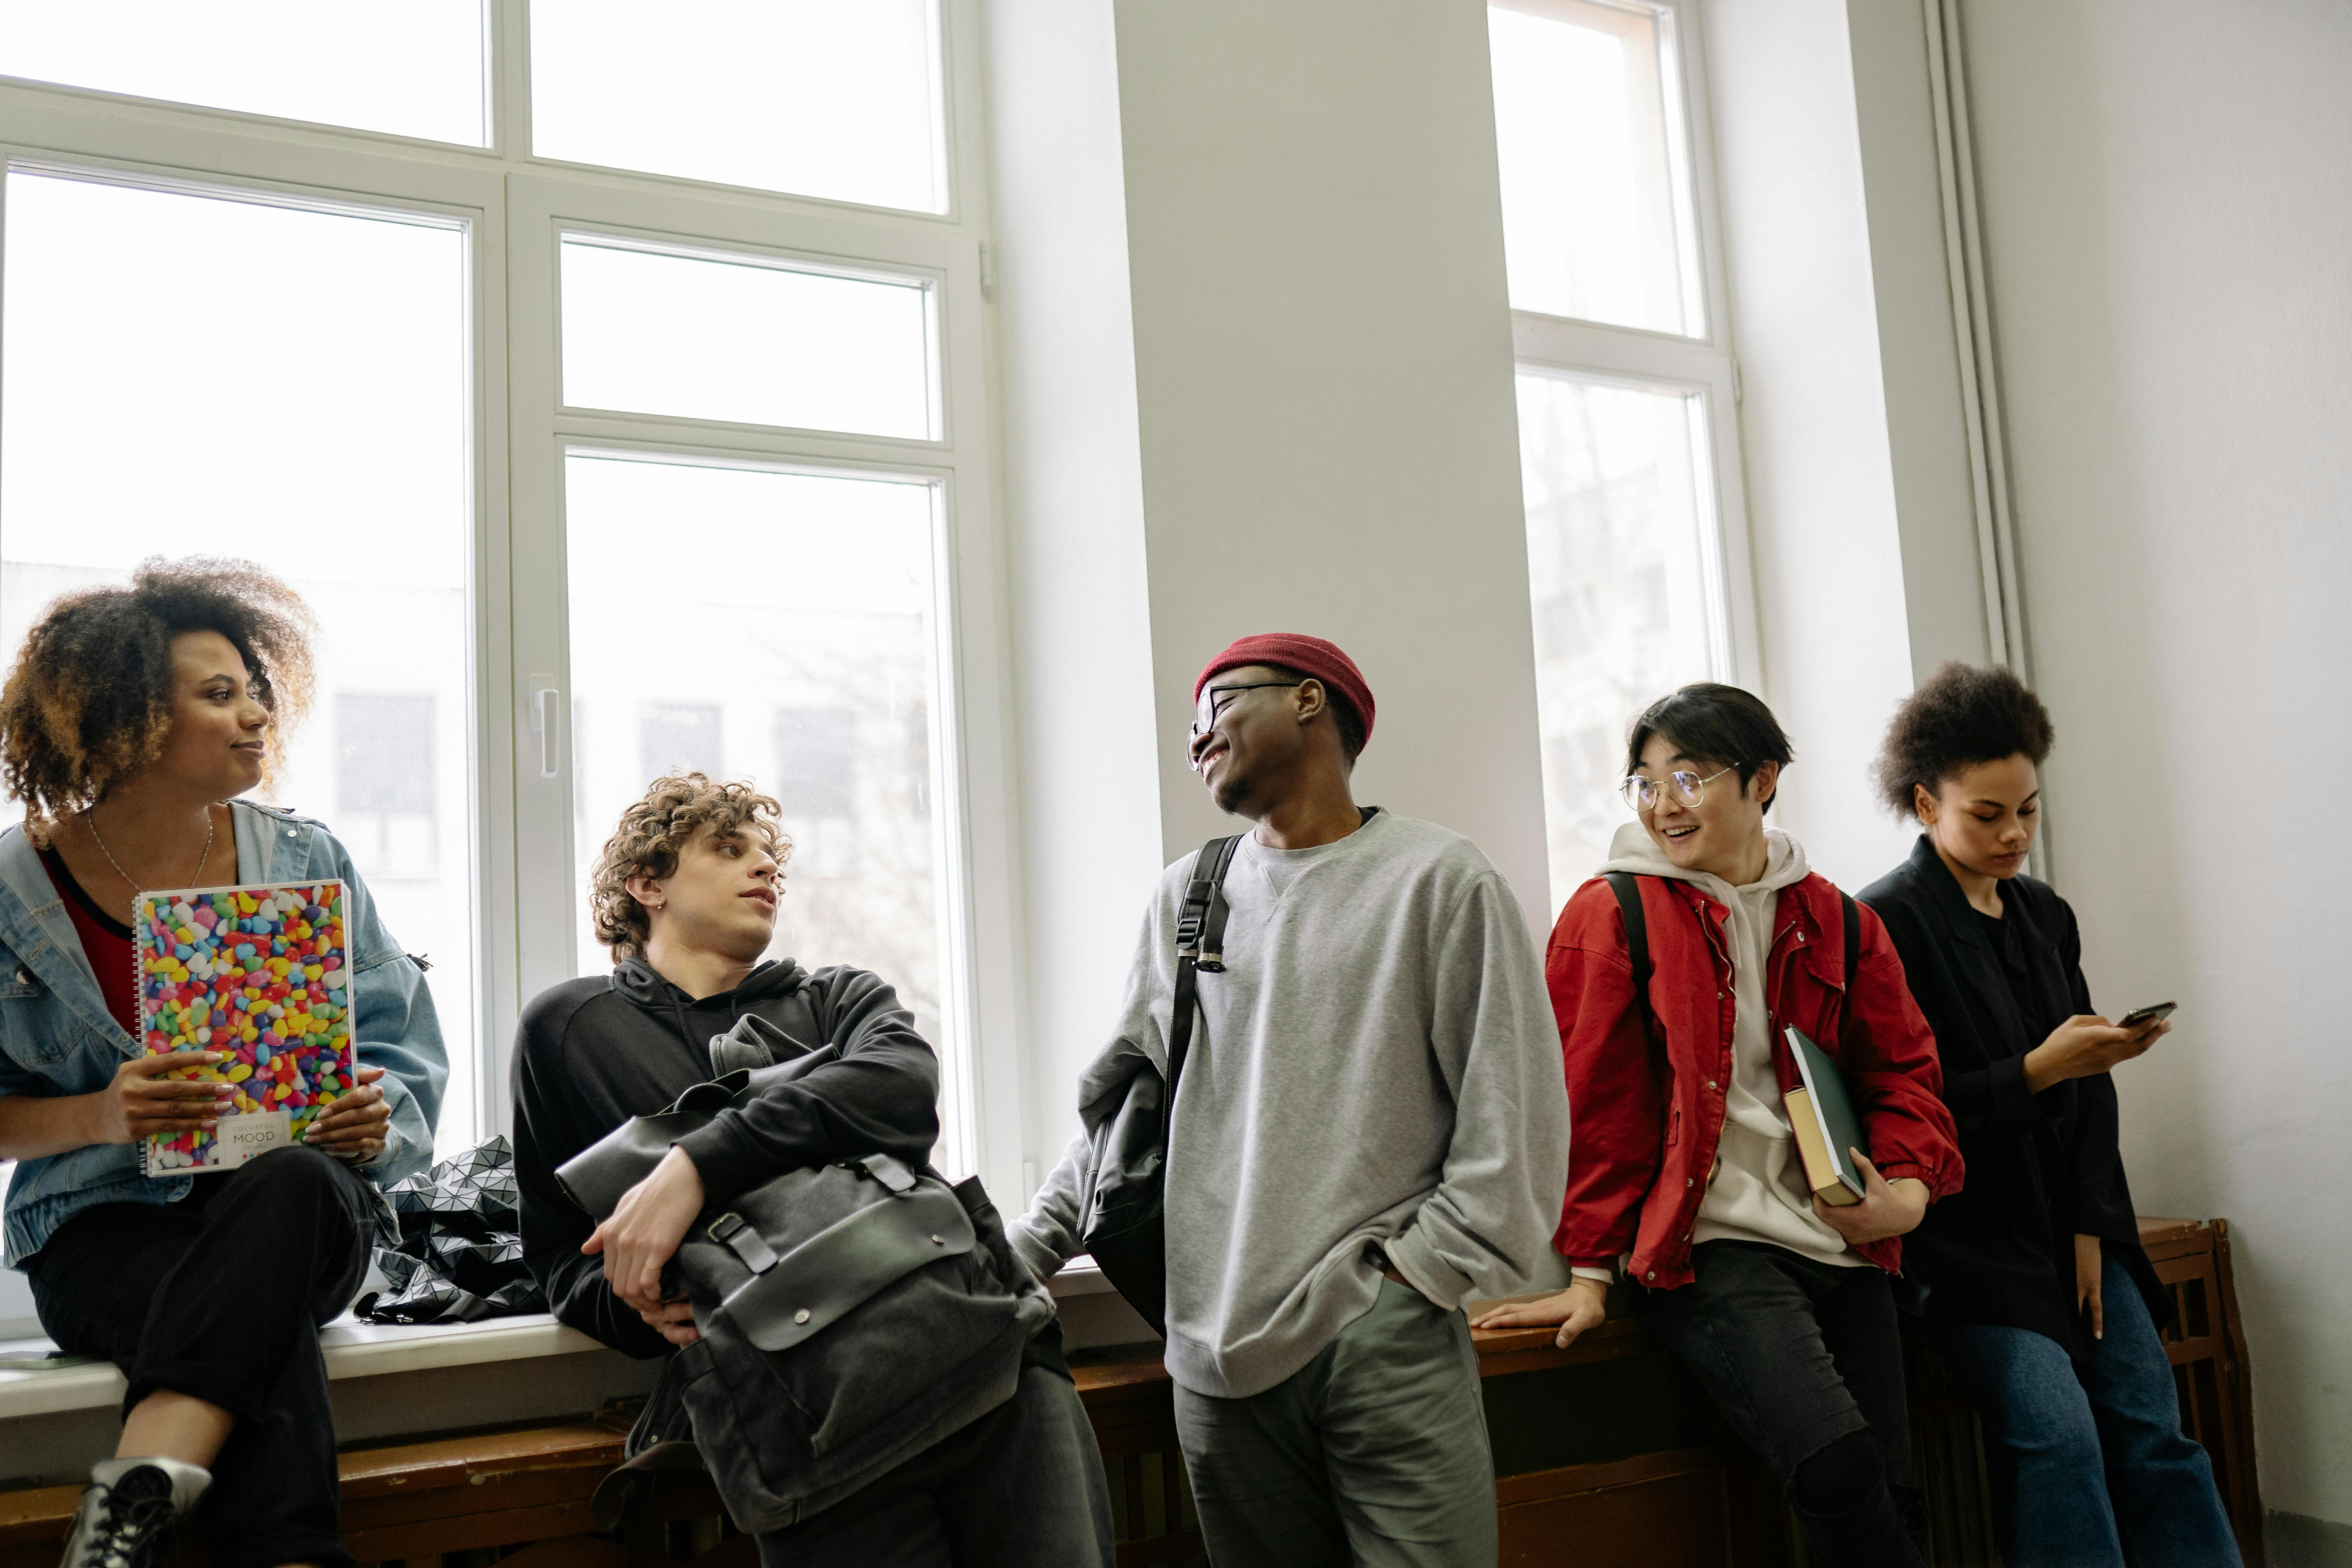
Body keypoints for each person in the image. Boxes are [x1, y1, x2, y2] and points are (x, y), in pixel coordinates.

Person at [1013, 633, 1569, 1568]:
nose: (1196, 737)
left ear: (1309, 699)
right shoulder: (1187, 895)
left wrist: (1407, 1285)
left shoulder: (1440, 880)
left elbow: (1514, 1117)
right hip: (1213, 1364)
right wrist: (1022, 1252)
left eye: (1217, 706)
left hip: (1383, 1343)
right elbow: (1124, 1122)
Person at [510, 772, 1113, 1567]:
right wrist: (642, 1307)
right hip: (806, 1424)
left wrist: (697, 1163)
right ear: (645, 882)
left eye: (771, 858)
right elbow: (557, 1254)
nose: (765, 869)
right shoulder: (570, 1031)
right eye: (730, 850)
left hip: (995, 1367)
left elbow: (903, 1089)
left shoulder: (836, 998)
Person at [0, 559, 446, 1568]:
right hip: (101, 1232)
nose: (256, 717)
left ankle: (130, 1509)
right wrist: (99, 1117)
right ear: (123, 725)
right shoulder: (10, 892)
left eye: (256, 691)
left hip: (304, 1203)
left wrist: (377, 1112)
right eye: (220, 695)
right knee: (255, 1317)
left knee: (286, 1186)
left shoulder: (308, 858)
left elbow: (401, 1048)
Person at [1478, 683, 1962, 1567]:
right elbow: (1589, 1104)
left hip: (1846, 1240)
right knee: (1837, 1469)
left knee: (1890, 1488)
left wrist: (1907, 1193)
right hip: (1714, 1250)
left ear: (1763, 779)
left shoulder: (1841, 920)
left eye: (1690, 777)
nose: (1665, 803)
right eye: (1648, 781)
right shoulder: (1612, 912)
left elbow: (1904, 1075)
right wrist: (1589, 1271)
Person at [1856, 661, 2240, 1567]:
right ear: (1924, 803)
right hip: (1968, 1247)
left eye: (2027, 808)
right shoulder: (1883, 923)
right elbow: (1902, 1111)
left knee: (2158, 1438)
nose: (2015, 833)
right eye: (1986, 814)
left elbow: (2089, 1094)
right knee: (2059, 1442)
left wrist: (2089, 1229)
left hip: (2073, 1226)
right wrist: (2034, 1072)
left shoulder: (2043, 914)